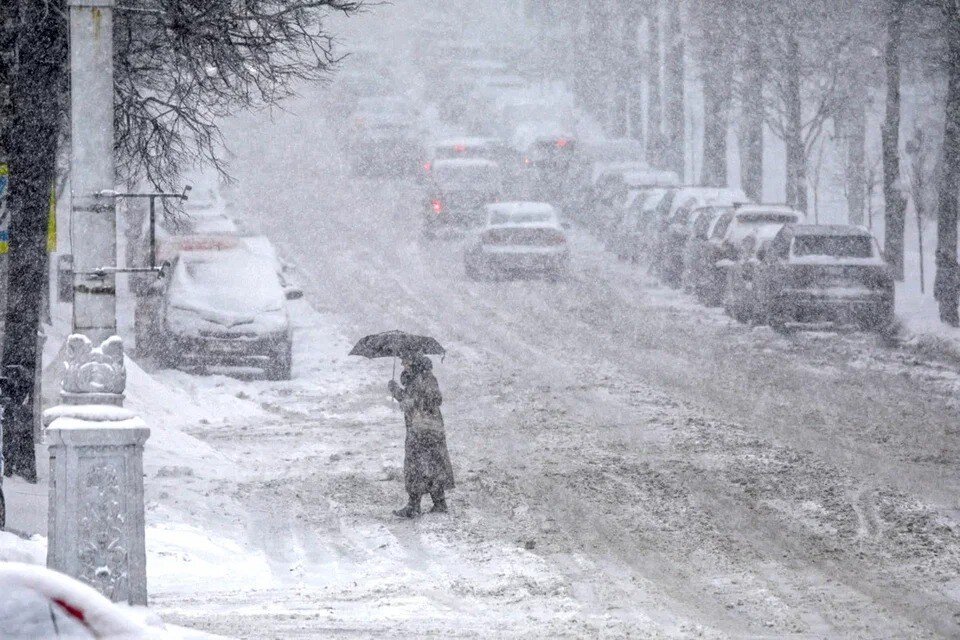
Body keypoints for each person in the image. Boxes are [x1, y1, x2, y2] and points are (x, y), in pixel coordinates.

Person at [388, 354, 455, 517]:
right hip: (432, 429)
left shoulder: (421, 379)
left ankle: (414, 505)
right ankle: (439, 503)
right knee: (433, 464)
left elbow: (417, 401)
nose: (403, 362)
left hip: (421, 430)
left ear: (413, 362)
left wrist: (396, 391)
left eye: (405, 359)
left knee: (415, 465)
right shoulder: (424, 377)